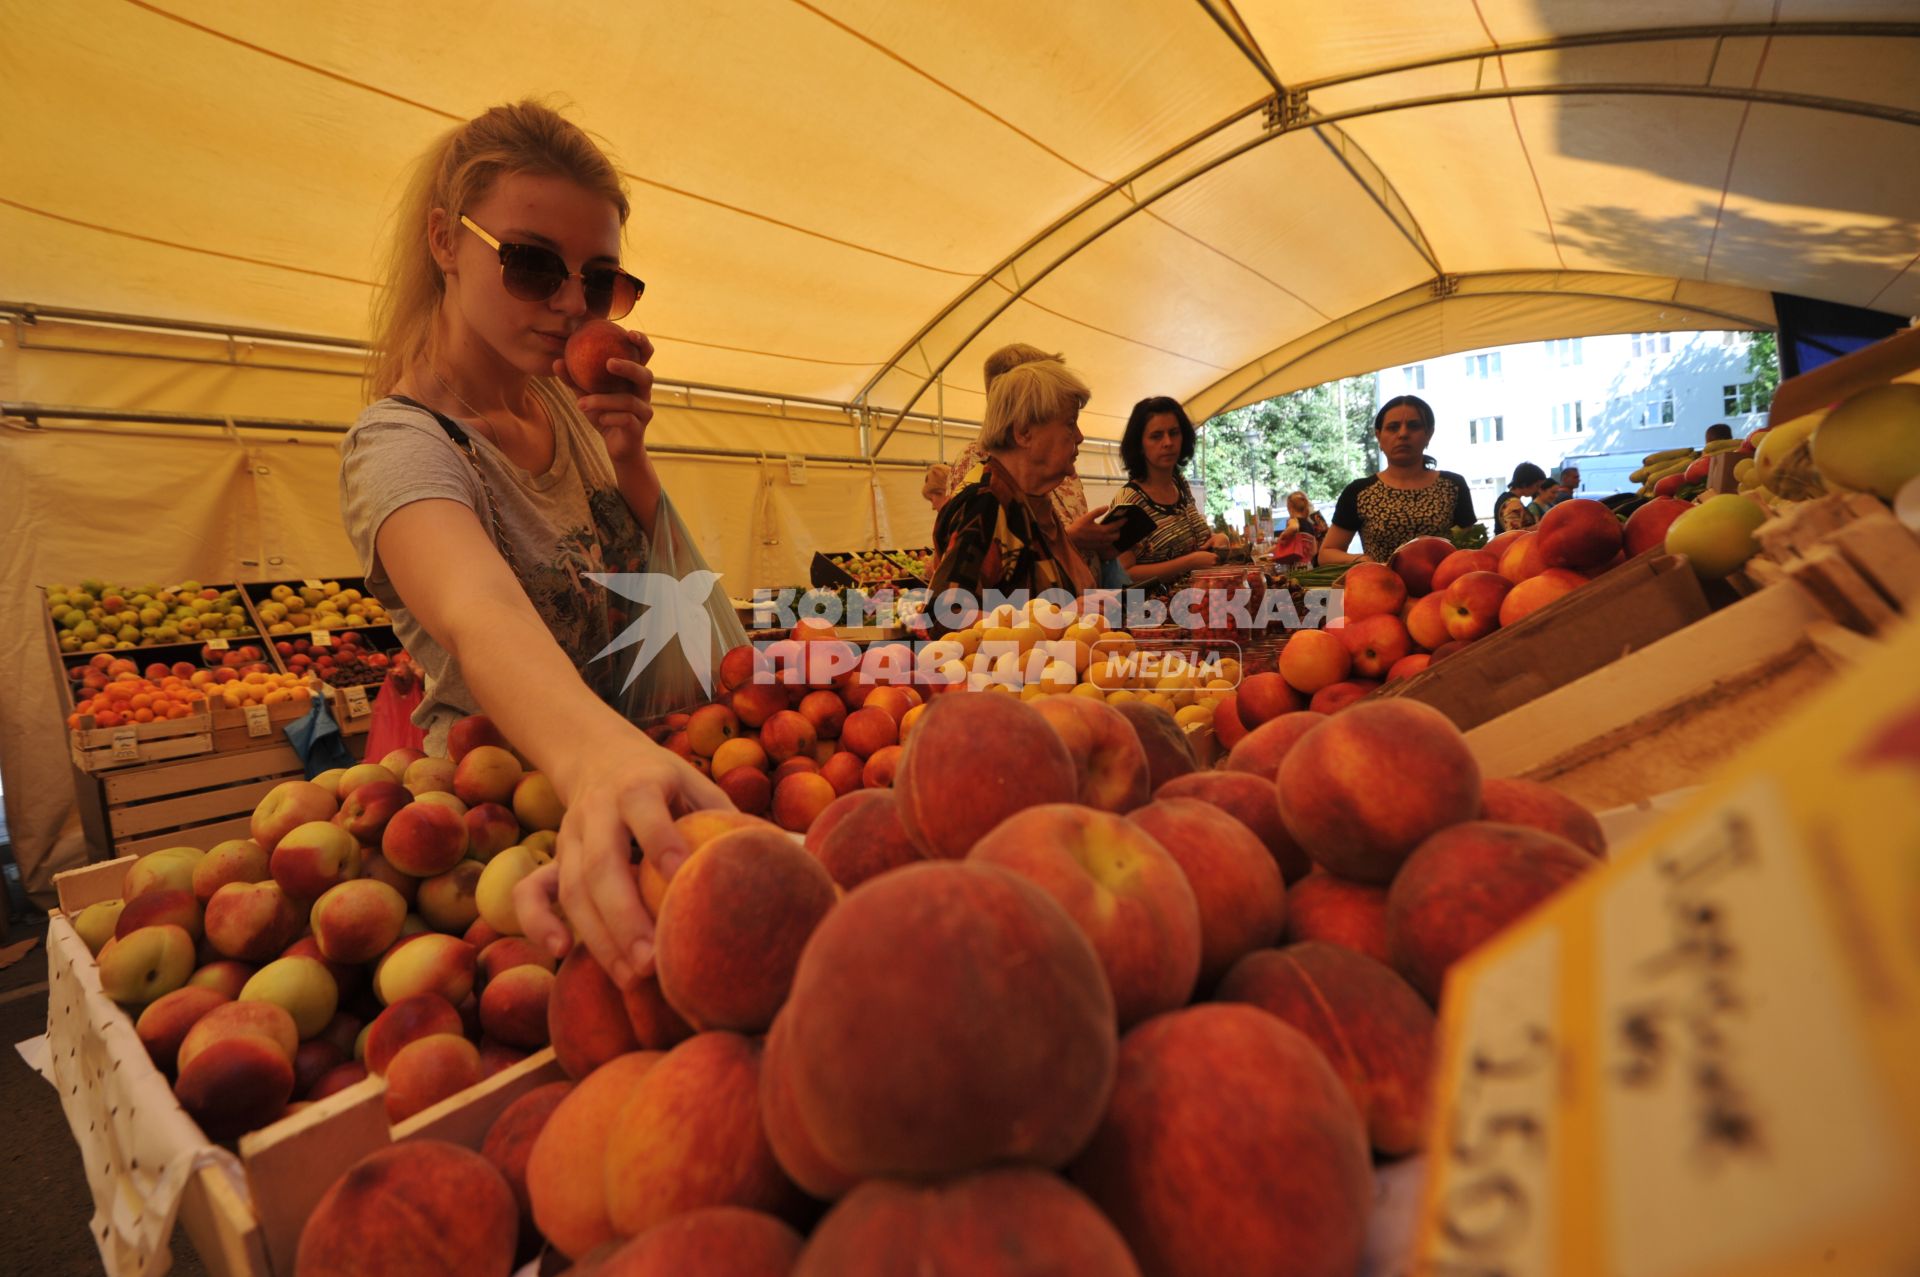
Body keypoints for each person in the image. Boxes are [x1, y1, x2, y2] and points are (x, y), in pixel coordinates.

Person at [339, 101, 725, 991]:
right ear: (445, 240)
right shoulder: (402, 444)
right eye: (532, 264)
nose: (568, 306)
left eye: (599, 284)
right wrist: (599, 757)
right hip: (495, 837)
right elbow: (479, 613)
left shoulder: (563, 404)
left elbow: (683, 611)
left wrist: (630, 457)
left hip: (632, 796)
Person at [924, 356, 1097, 617]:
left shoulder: (1029, 500)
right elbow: (946, 613)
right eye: (1070, 422)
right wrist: (1059, 617)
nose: (1080, 436)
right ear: (1023, 432)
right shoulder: (985, 503)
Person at [943, 344, 1119, 574]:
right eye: (1069, 422)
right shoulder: (981, 491)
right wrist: (1069, 540)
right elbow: (953, 601)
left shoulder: (1047, 476)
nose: (1079, 436)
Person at [1319, 395, 1476, 564]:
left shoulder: (1453, 486)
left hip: (1443, 587)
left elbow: (1471, 548)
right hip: (1379, 586)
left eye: (1413, 426)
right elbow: (1326, 554)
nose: (1403, 434)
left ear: (1429, 433)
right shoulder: (1358, 492)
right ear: (1379, 436)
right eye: (1393, 427)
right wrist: (1361, 560)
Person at [1108, 396, 1228, 589]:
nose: (1168, 442)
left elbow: (1189, 541)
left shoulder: (1180, 485)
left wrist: (1218, 539)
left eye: (1174, 433)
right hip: (1155, 613)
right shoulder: (1130, 501)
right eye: (1156, 436)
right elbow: (1126, 573)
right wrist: (1190, 562)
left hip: (1198, 605)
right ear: (1139, 444)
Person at [1271, 490, 1327, 565]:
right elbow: (1314, 551)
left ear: (1289, 507)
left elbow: (1293, 528)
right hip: (1308, 566)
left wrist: (1281, 538)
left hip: (1295, 568)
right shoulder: (1310, 524)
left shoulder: (1293, 520)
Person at [1494, 462, 1551, 531]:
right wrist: (1540, 526)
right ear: (1525, 484)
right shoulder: (1513, 503)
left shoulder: (1505, 498)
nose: (1538, 490)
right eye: (1537, 485)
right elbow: (1513, 533)